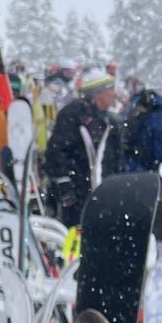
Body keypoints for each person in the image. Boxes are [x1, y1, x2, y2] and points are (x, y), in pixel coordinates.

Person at [41, 71, 118, 227]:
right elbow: (56, 151)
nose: (114, 94)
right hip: (77, 191)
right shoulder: (74, 114)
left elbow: (113, 157)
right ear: (98, 94)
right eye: (110, 90)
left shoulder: (108, 119)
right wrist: (64, 182)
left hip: (100, 190)